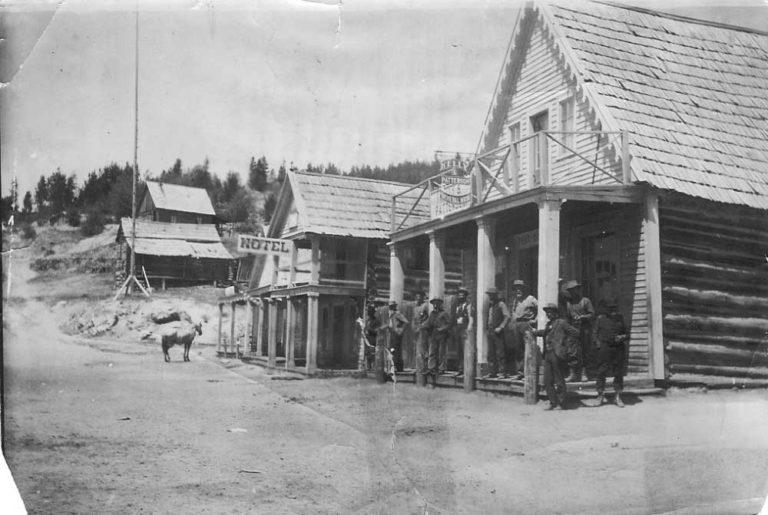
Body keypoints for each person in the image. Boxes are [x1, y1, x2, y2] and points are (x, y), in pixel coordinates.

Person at [534, 303, 579, 410]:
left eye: (550, 312)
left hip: (557, 354)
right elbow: (544, 333)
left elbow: (575, 332)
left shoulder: (562, 323)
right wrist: (535, 332)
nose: (548, 314)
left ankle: (560, 402)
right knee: (547, 380)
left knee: (559, 379)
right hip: (548, 354)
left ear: (555, 313)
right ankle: (552, 402)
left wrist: (566, 345)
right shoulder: (548, 324)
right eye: (547, 312)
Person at [593, 301, 629, 407]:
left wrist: (622, 337)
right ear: (606, 310)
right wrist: (598, 345)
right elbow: (594, 333)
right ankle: (600, 396)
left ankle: (617, 396)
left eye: (614, 309)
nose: (613, 311)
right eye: (610, 309)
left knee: (618, 372)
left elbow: (627, 334)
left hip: (618, 348)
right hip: (605, 348)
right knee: (601, 371)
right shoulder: (600, 319)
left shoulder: (620, 319)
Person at [565, 280, 595, 382]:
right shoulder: (569, 304)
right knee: (572, 352)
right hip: (573, 329)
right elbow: (567, 318)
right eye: (571, 291)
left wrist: (582, 317)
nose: (573, 292)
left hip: (584, 329)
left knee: (585, 351)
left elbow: (592, 314)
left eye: (575, 290)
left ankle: (584, 373)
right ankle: (572, 374)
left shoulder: (585, 301)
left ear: (578, 290)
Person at [507, 280, 537, 380]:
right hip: (516, 325)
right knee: (518, 349)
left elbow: (541, 309)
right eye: (516, 289)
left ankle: (528, 372)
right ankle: (520, 372)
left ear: (524, 289)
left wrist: (535, 320)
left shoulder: (531, 299)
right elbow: (513, 313)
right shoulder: (515, 301)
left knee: (527, 347)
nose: (518, 290)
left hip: (526, 323)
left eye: (520, 288)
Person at [419, 297, 452, 387]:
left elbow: (449, 324)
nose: (435, 305)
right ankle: (431, 367)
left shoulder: (444, 313)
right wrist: (422, 326)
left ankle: (442, 368)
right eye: (434, 303)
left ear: (440, 304)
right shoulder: (432, 314)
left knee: (441, 352)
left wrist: (442, 329)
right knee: (432, 352)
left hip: (442, 335)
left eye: (437, 303)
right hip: (433, 335)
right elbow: (428, 323)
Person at [485, 287, 510, 378]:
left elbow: (507, 317)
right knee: (490, 353)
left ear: (496, 295)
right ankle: (492, 372)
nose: (491, 296)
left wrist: (501, 327)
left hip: (498, 332)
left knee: (500, 352)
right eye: (489, 295)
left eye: (492, 295)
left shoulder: (501, 304)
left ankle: (502, 372)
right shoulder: (490, 305)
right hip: (490, 331)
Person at [450, 286, 474, 374]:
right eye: (459, 293)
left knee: (465, 349)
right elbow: (453, 318)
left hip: (465, 329)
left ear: (465, 295)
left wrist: (469, 328)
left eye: (462, 294)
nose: (461, 295)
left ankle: (466, 368)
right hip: (458, 329)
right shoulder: (456, 306)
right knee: (459, 350)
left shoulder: (468, 305)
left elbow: (471, 317)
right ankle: (460, 368)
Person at [413, 291, 430, 383]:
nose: (418, 298)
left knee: (423, 351)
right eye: (416, 297)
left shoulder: (425, 306)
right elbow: (414, 319)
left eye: (420, 297)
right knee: (418, 351)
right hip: (417, 331)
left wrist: (422, 326)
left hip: (423, 331)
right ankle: (419, 370)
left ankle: (424, 371)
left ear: (423, 297)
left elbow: (428, 318)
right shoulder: (416, 308)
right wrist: (414, 328)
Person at [387, 300, 409, 373]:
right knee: (392, 350)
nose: (391, 307)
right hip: (392, 333)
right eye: (390, 306)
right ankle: (395, 366)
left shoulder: (397, 314)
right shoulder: (391, 314)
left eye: (392, 306)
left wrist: (401, 330)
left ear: (395, 306)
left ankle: (398, 367)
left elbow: (406, 322)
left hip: (397, 334)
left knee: (396, 350)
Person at [363, 302, 378, 371]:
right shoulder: (367, 320)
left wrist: (371, 330)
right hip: (367, 337)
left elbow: (377, 330)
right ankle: (368, 366)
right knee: (367, 352)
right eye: (368, 312)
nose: (369, 313)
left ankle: (373, 366)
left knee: (372, 352)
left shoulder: (376, 320)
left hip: (372, 338)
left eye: (370, 312)